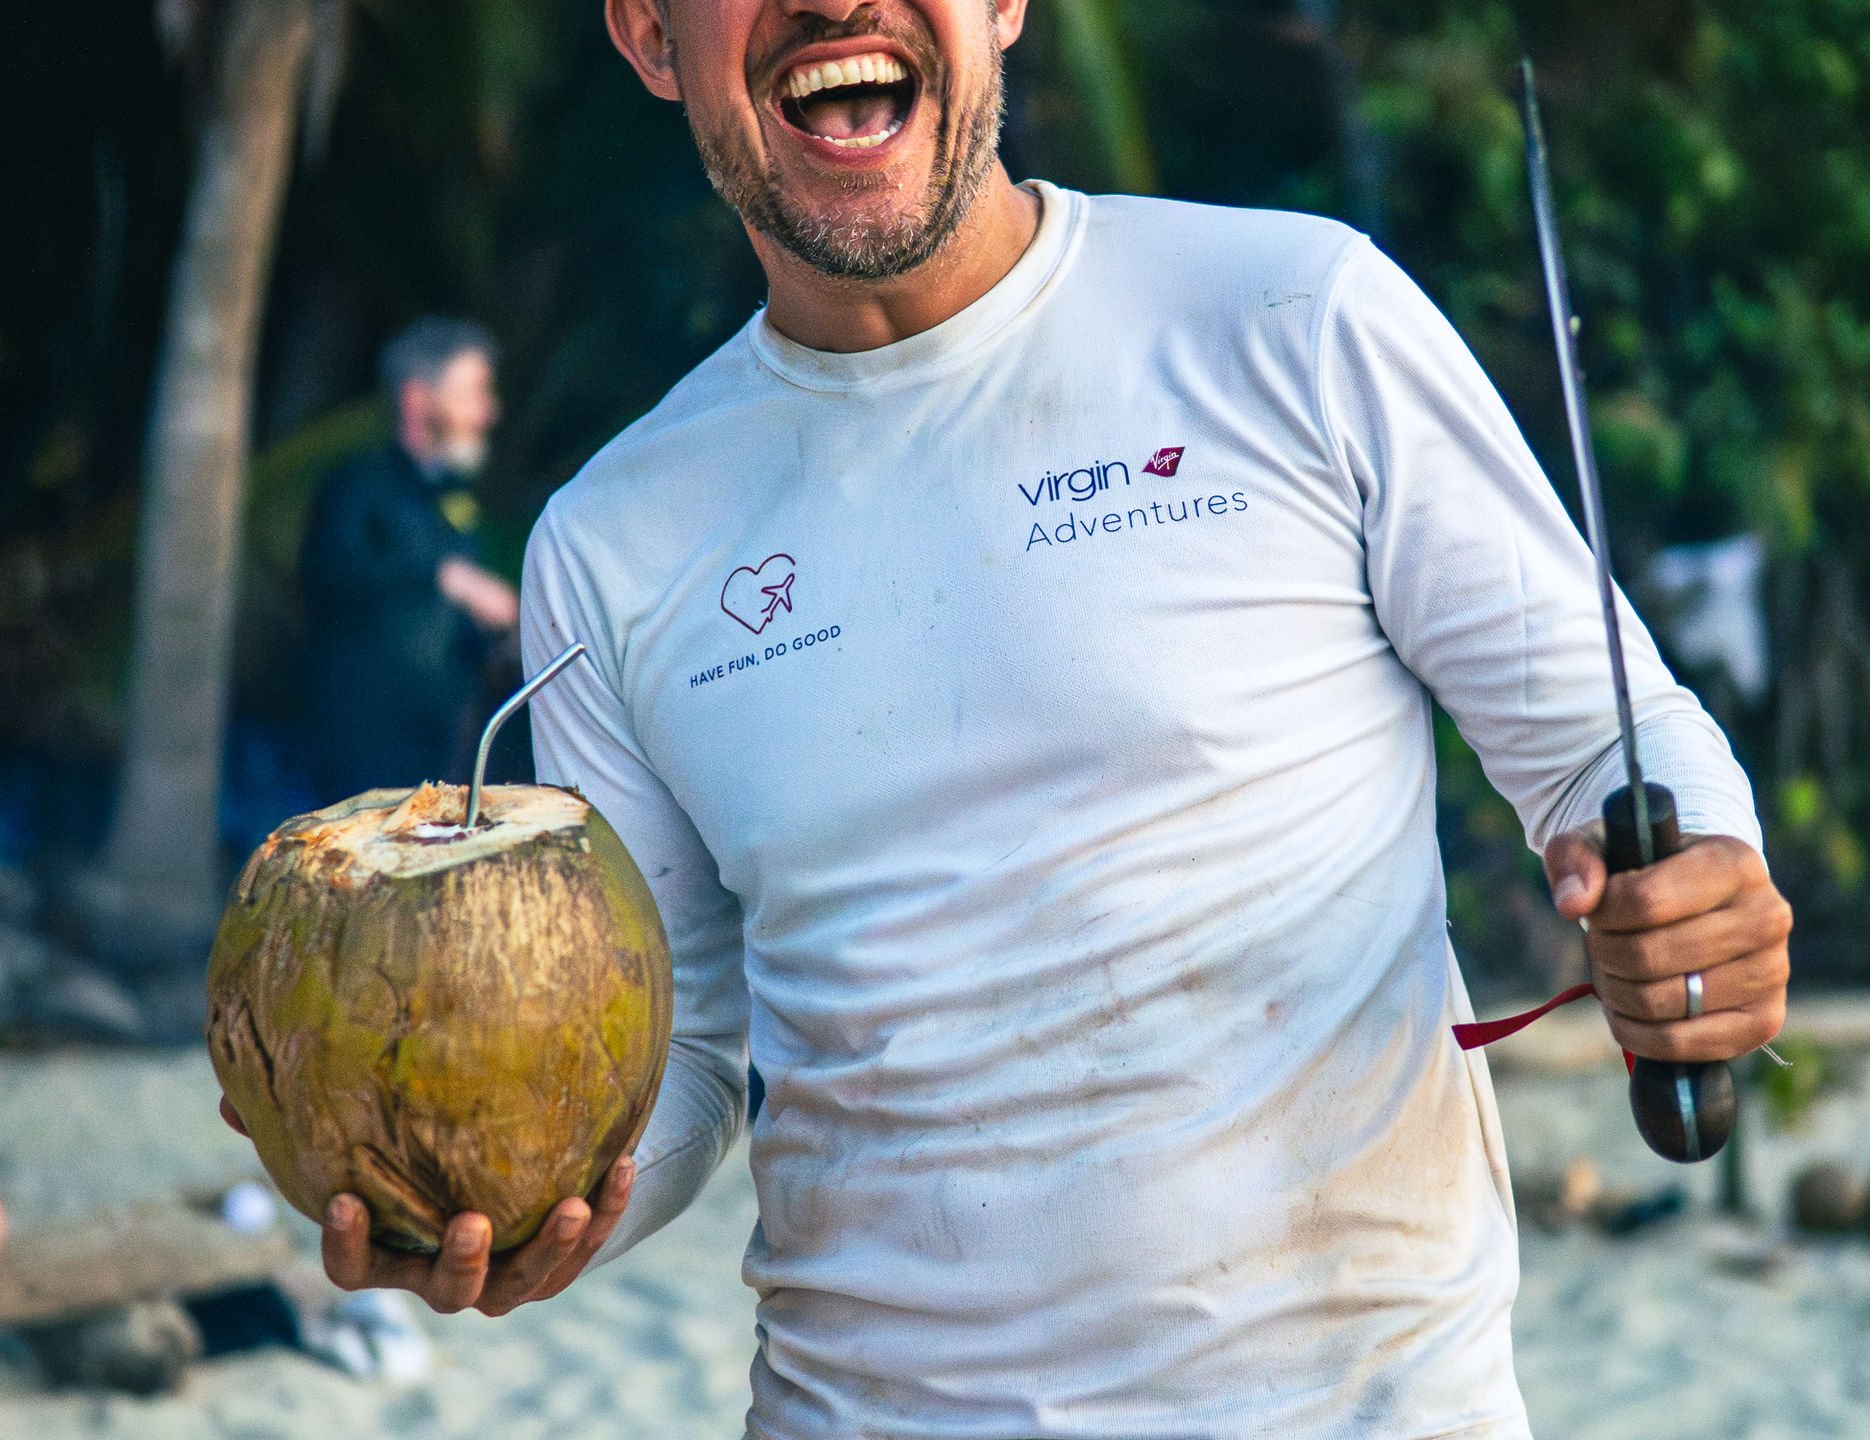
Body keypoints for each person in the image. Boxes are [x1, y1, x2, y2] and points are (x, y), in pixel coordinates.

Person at [279, 4, 1793, 1436]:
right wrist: (552, 1201)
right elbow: (675, 1052)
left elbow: (1611, 742)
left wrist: (1701, 886)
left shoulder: (1294, 313)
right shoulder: (611, 545)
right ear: (646, 32)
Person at [297, 317, 521, 801]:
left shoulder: (454, 498)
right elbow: (327, 577)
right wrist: (446, 576)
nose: (489, 412)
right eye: (474, 393)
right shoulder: (358, 484)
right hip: (362, 757)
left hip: (443, 754)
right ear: (418, 400)